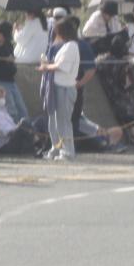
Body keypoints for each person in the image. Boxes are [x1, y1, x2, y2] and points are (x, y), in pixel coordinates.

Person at [39, 18, 80, 161]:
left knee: (63, 121)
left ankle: (67, 152)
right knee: (54, 121)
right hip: (57, 86)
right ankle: (57, 148)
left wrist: (46, 66)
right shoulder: (65, 46)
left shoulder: (71, 46)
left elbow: (62, 66)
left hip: (65, 88)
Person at [0, 21, 26, 123]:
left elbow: (11, 57)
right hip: (0, 80)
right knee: (12, 110)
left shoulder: (8, 44)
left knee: (21, 109)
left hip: (11, 80)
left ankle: (27, 128)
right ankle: (15, 129)